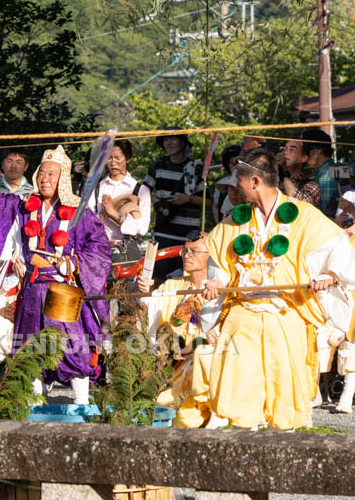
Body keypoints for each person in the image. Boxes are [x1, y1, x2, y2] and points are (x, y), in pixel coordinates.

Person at [0, 145, 112, 403]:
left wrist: (74, 263)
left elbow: (99, 247)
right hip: (32, 290)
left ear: (63, 179)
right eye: (42, 173)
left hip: (61, 289)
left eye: (52, 175)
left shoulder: (78, 212)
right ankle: (32, 404)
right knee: (29, 348)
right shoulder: (24, 206)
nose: (45, 178)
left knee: (72, 348)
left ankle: (81, 404)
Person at [202, 149, 355, 430]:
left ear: (255, 181)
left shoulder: (304, 216)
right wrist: (217, 282)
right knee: (241, 393)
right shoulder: (234, 220)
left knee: (284, 396)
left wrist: (330, 274)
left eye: (239, 179)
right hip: (242, 316)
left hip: (287, 316)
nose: (236, 185)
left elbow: (339, 248)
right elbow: (220, 263)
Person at [136, 232, 226, 428]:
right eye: (185, 251)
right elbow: (153, 311)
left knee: (205, 350)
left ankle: (219, 410)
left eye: (194, 251)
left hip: (212, 360)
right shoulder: (173, 285)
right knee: (166, 407)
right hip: (181, 360)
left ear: (211, 255)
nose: (187, 255)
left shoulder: (222, 289)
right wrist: (144, 293)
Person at [144, 130, 202, 280]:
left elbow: (207, 201)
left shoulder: (195, 167)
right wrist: (156, 201)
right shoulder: (157, 165)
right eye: (165, 140)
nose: (169, 142)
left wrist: (187, 198)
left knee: (185, 279)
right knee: (157, 279)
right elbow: (144, 192)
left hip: (189, 236)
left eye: (173, 138)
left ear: (183, 142)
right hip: (163, 231)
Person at [86, 139, 151, 262]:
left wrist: (113, 213)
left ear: (128, 158)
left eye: (117, 158)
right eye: (109, 158)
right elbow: (88, 222)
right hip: (98, 249)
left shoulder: (140, 190)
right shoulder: (97, 188)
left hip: (126, 250)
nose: (113, 163)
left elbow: (142, 228)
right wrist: (103, 214)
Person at [303, 128, 340, 216]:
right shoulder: (334, 168)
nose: (304, 154)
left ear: (318, 150)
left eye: (306, 149)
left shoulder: (326, 177)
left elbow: (328, 213)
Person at [278, 138, 320, 207]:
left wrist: (284, 173)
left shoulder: (311, 186)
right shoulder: (274, 178)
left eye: (292, 150)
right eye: (285, 148)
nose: (285, 153)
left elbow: (301, 204)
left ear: (304, 158)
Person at [213, 145, 242, 223]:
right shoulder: (222, 182)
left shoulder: (249, 183)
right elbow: (216, 206)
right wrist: (218, 224)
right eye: (231, 163)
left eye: (236, 163)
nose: (233, 166)